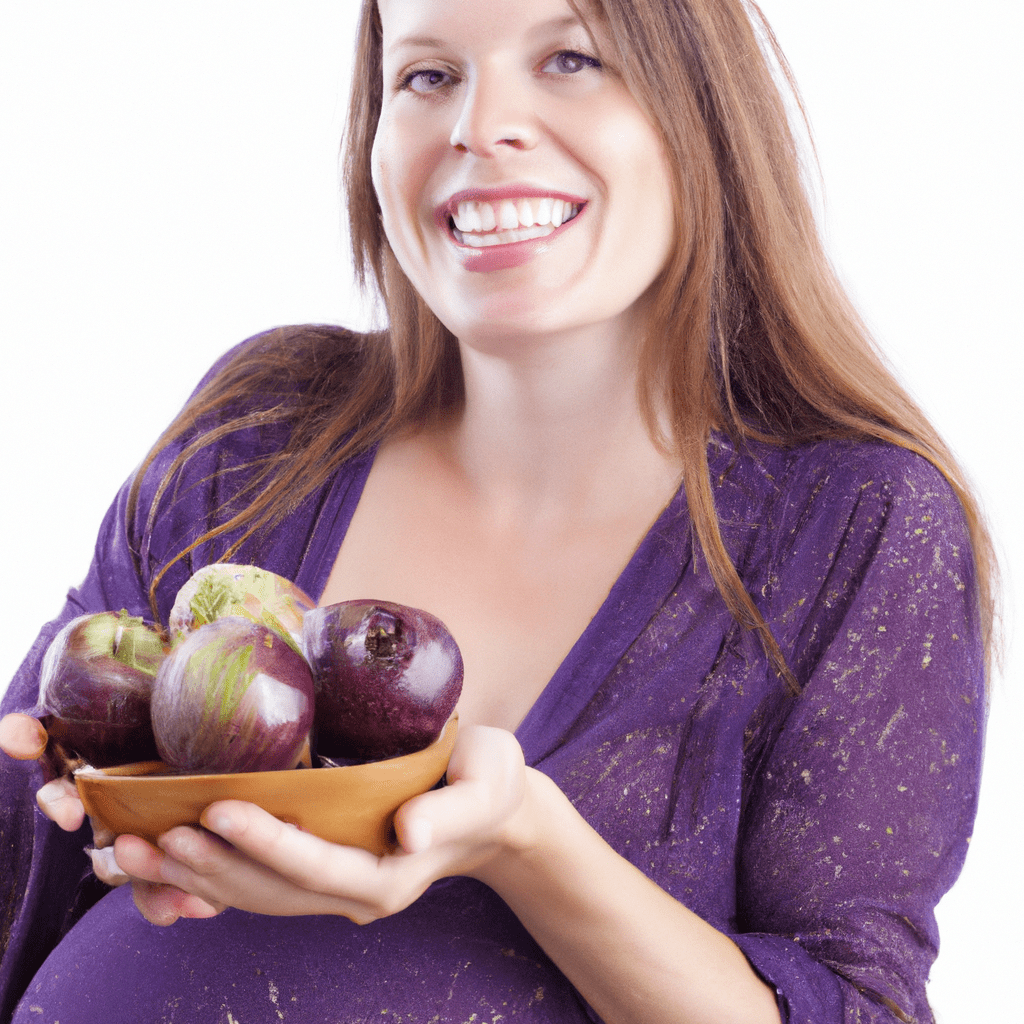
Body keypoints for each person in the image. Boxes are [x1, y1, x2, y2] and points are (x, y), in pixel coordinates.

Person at [0, 0, 996, 1021]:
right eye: (428, 76)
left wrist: (527, 843)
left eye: (568, 57)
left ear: (701, 108)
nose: (479, 127)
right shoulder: (261, 433)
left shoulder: (856, 526)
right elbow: (25, 842)